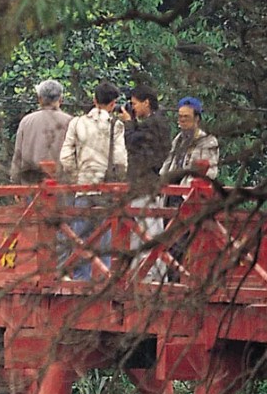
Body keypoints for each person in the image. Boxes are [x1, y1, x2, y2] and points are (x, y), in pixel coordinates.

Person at [58, 83, 128, 279]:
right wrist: (118, 180)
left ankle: (81, 279)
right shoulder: (116, 125)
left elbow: (65, 157)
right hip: (106, 189)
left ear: (94, 100)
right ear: (113, 103)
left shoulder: (77, 123)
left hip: (83, 188)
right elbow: (121, 161)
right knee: (105, 239)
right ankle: (103, 278)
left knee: (80, 237)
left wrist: (76, 178)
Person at [119, 83, 171, 276]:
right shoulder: (158, 122)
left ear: (146, 102)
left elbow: (133, 143)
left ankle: (148, 273)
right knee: (145, 228)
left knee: (146, 229)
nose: (133, 108)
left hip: (145, 181)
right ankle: (146, 272)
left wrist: (128, 123)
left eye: (135, 104)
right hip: (149, 181)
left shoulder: (153, 123)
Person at [9, 79, 72, 183]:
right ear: (61, 99)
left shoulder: (26, 122)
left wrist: (15, 183)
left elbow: (18, 157)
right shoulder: (70, 122)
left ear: (39, 99)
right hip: (62, 186)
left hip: (31, 185)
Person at [160, 97, 220, 183]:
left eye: (186, 117)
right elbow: (168, 163)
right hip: (171, 189)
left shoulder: (207, 141)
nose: (182, 120)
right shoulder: (178, 139)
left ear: (196, 118)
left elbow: (211, 171)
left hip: (190, 190)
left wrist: (192, 184)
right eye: (180, 117)